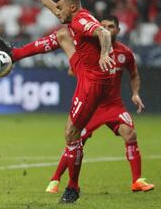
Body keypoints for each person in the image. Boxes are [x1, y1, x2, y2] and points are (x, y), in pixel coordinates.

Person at [0, 0, 117, 203]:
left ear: (72, 6)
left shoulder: (80, 19)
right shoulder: (73, 17)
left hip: (93, 81)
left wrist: (104, 54)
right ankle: (14, 54)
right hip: (85, 68)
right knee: (61, 35)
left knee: (71, 133)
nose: (57, 12)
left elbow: (103, 32)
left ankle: (72, 187)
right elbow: (62, 15)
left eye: (60, 8)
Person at [45, 16, 154, 194]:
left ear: (118, 30)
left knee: (130, 134)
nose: (106, 29)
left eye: (110, 27)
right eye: (102, 26)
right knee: (75, 140)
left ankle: (137, 181)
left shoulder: (124, 53)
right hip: (91, 106)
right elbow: (72, 70)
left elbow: (134, 73)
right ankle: (55, 179)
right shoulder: (90, 49)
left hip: (113, 105)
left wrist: (135, 93)